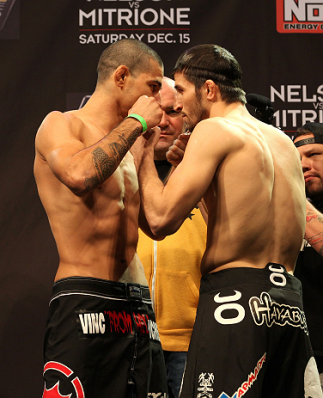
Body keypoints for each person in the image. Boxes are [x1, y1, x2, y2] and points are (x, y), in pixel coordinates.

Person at [131, 44, 323, 397]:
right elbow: (236, 218)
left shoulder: (214, 129)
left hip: (234, 303)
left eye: (183, 91)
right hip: (288, 306)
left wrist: (142, 151)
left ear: (209, 90)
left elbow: (158, 221)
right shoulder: (282, 142)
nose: (179, 106)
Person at [34, 39, 169, 398]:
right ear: (122, 76)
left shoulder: (131, 142)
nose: (157, 101)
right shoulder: (61, 125)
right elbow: (80, 175)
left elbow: (156, 224)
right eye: (152, 87)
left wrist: (148, 150)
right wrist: (137, 122)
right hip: (85, 298)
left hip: (139, 305)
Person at [137, 76, 207, 398]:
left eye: (174, 111)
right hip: (133, 334)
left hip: (193, 338)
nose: (164, 121)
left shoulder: (206, 171)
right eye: (156, 111)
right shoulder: (123, 170)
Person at [293, 122, 323, 390]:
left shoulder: (290, 203)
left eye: (313, 155)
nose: (303, 164)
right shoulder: (281, 207)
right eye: (296, 158)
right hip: (294, 354)